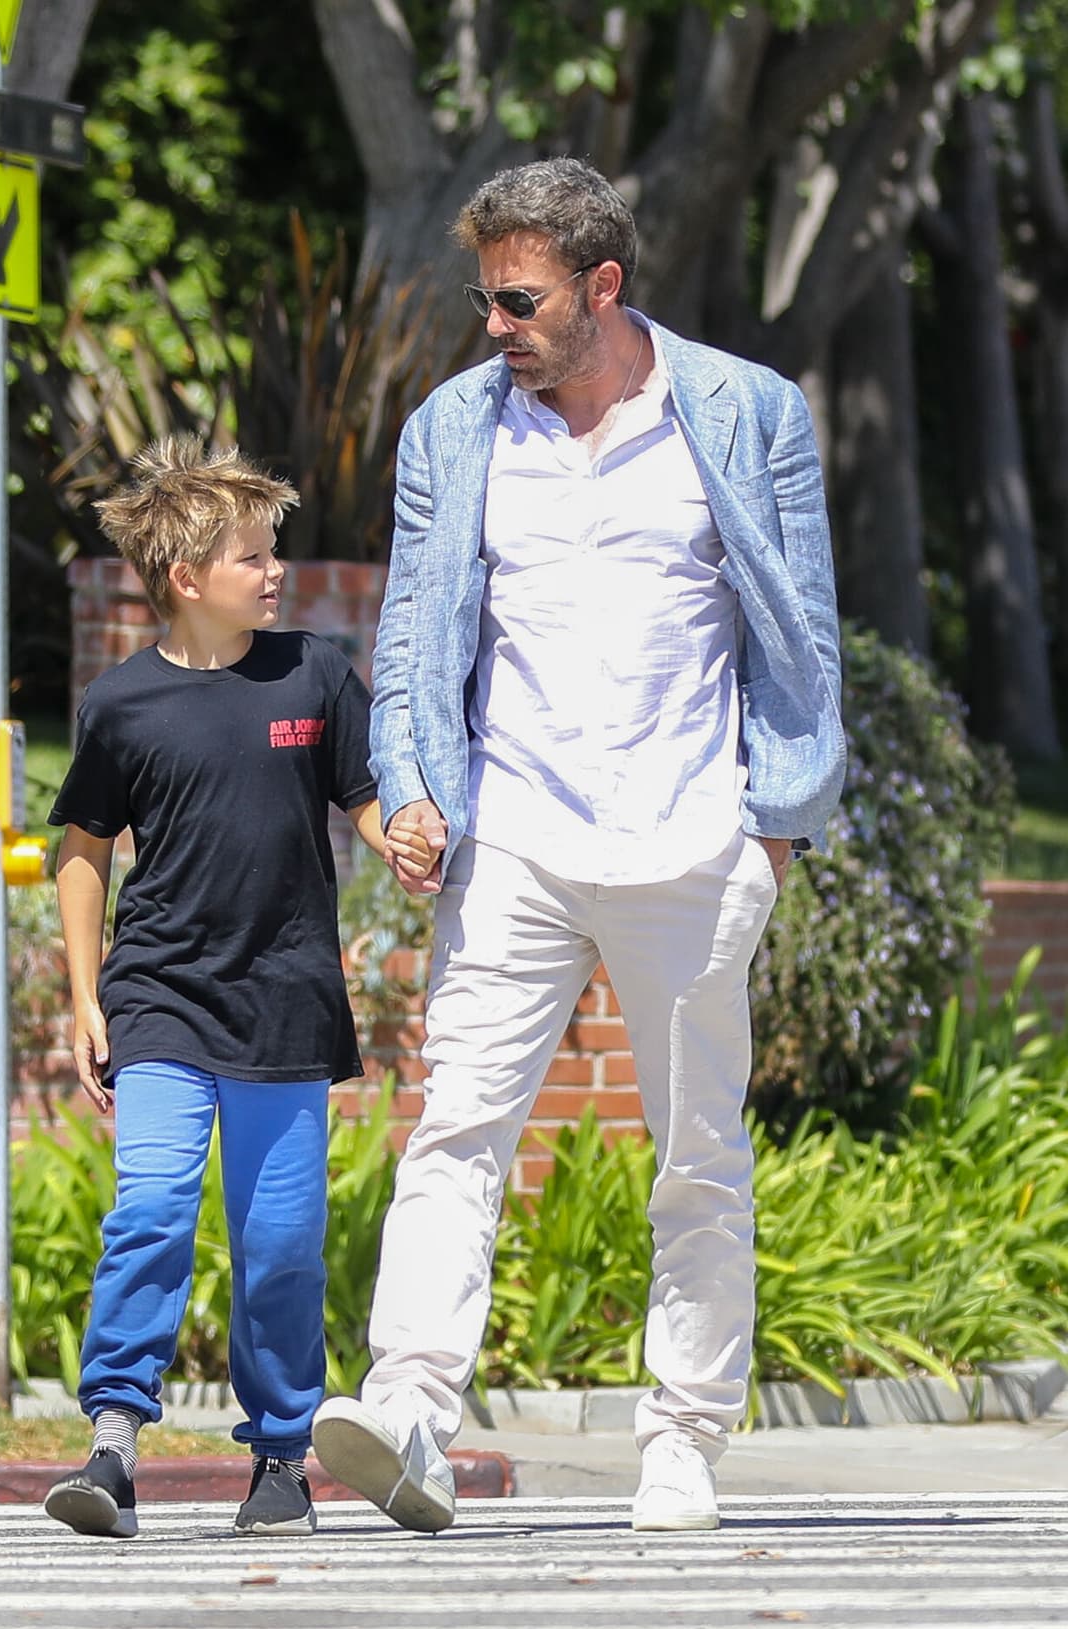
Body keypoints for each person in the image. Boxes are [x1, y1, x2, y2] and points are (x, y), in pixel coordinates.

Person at [311, 158, 845, 1534]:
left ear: (602, 286)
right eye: (485, 295)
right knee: (454, 1125)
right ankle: (412, 1409)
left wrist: (773, 827)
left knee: (696, 1156)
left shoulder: (742, 411)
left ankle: (682, 1438)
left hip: (691, 836)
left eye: (519, 298)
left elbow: (801, 632)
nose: (493, 322)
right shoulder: (455, 429)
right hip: (519, 839)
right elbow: (419, 630)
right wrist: (417, 781)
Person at [41, 437, 429, 1540]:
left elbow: (359, 795)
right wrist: (84, 995)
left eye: (274, 552)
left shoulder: (311, 671)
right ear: (184, 577)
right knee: (152, 1209)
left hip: (285, 999)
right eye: (253, 556)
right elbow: (83, 847)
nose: (275, 572)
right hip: (160, 994)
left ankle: (277, 1456)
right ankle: (112, 1444)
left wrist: (392, 831)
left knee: (280, 1241)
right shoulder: (122, 703)